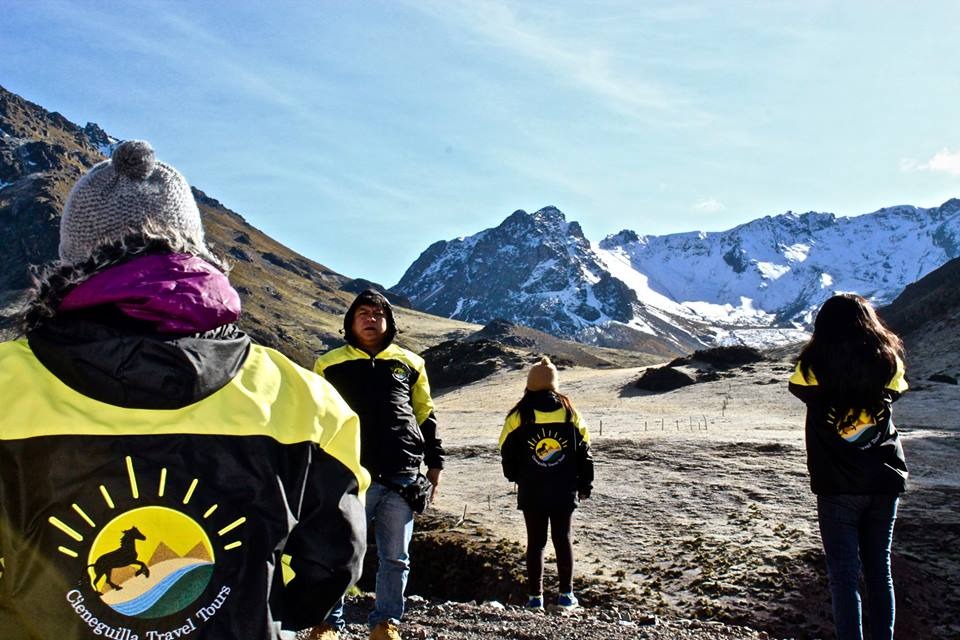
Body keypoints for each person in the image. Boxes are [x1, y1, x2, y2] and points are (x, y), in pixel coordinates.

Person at [0, 140, 368, 640]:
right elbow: (333, 557)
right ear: (194, 248)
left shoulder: (9, 382)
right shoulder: (302, 396)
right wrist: (265, 609)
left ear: (73, 256)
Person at [313, 290, 444, 640]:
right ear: (350, 321)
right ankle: (328, 624)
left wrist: (435, 462)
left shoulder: (411, 363)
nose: (370, 319)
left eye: (378, 313)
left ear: (389, 321)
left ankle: (385, 624)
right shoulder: (328, 364)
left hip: (403, 476)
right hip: (350, 475)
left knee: (396, 557)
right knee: (338, 551)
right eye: (363, 313)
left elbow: (425, 414)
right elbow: (317, 416)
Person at [789, 293, 909, 640]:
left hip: (836, 483)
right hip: (885, 477)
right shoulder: (889, 361)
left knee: (843, 576)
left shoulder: (812, 365)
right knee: (879, 571)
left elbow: (797, 386)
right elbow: (898, 389)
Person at [498, 356, 593, 611]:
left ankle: (535, 598)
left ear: (530, 384)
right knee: (563, 539)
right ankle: (566, 596)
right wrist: (585, 484)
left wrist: (515, 476)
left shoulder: (519, 415)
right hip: (564, 488)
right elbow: (585, 451)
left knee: (536, 542)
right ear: (554, 384)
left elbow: (505, 449)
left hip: (532, 490)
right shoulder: (570, 413)